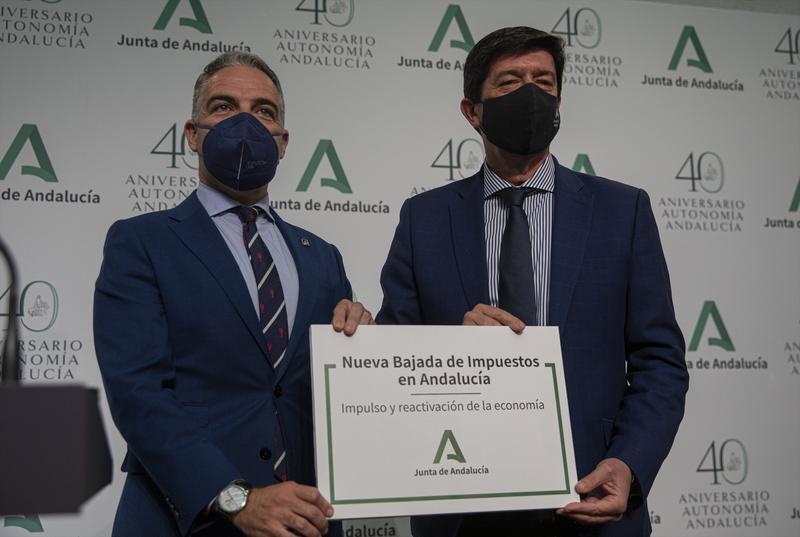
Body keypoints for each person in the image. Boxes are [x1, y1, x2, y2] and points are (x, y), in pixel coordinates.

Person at [376, 27, 688, 537]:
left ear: (559, 102)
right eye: (509, 82)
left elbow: (660, 361)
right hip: (462, 507)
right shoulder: (423, 219)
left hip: (591, 497)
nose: (530, 94)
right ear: (472, 111)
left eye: (543, 82)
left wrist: (629, 463)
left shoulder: (622, 211)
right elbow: (394, 361)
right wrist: (452, 347)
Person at [94, 51, 372, 537]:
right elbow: (139, 394)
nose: (245, 122)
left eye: (264, 111)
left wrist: (363, 347)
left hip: (306, 520)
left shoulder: (322, 257)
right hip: (185, 520)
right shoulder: (141, 242)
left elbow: (335, 401)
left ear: (283, 142)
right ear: (192, 133)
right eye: (223, 106)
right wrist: (234, 497)